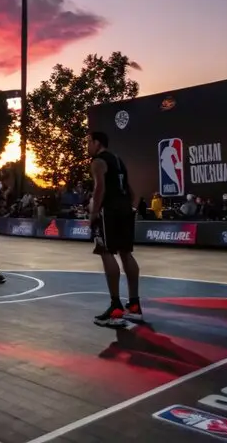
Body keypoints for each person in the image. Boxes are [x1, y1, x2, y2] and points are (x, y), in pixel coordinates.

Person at [87, 131, 141, 327]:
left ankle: (115, 307)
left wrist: (94, 213)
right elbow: (132, 191)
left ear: (97, 143)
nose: (88, 146)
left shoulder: (98, 162)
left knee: (105, 251)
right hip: (125, 209)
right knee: (126, 253)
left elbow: (99, 187)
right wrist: (130, 208)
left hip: (108, 211)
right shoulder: (118, 160)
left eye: (89, 142)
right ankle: (134, 306)